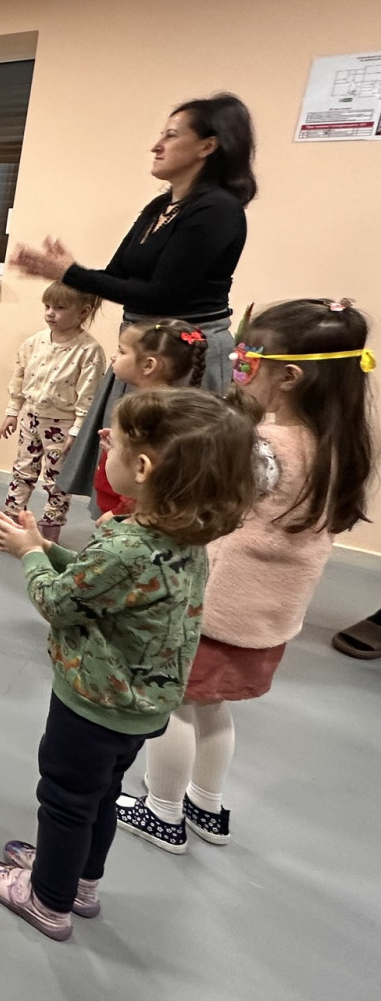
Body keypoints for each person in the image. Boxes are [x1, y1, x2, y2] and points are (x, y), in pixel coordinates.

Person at [0, 388, 258, 941]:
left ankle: (47, 899)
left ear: (144, 468)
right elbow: (103, 585)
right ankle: (79, 880)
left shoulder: (127, 547)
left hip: (94, 703)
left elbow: (59, 602)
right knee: (100, 795)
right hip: (140, 707)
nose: (106, 451)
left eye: (117, 446)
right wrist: (46, 548)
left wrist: (28, 556)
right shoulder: (182, 539)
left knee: (64, 800)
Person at [117, 300, 376, 851]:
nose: (238, 367)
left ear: (289, 376)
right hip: (269, 616)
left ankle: (162, 811)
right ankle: (206, 805)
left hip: (215, 606)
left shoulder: (267, 446)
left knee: (173, 707)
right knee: (213, 707)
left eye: (247, 359)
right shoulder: (342, 445)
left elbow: (211, 503)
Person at [11, 94, 257, 499]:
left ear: (207, 146)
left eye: (171, 135)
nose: (156, 146)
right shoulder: (161, 206)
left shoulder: (218, 209)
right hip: (142, 349)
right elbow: (117, 278)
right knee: (120, 471)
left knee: (164, 483)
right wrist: (64, 271)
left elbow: (161, 294)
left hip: (183, 358)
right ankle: (117, 536)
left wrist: (69, 273)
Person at [0, 284, 107, 543]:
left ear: (83, 312)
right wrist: (12, 411)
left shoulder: (88, 350)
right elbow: (19, 377)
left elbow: (88, 394)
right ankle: (12, 522)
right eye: (47, 306)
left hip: (62, 425)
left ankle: (50, 530)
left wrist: (77, 430)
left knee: (56, 479)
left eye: (59, 308)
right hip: (30, 418)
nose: (50, 313)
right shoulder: (33, 343)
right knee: (22, 470)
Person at [93, 320, 208, 516]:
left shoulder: (150, 412)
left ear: (148, 365)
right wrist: (117, 444)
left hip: (129, 512)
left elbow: (152, 475)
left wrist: (119, 512)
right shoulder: (153, 406)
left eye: (121, 351)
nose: (114, 356)